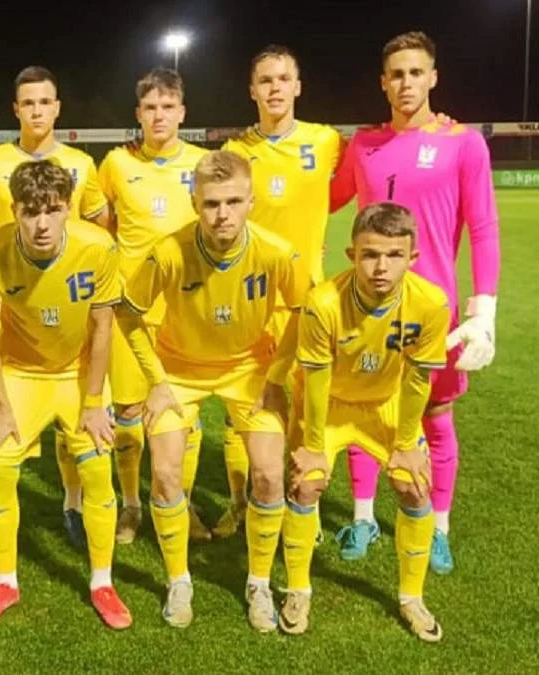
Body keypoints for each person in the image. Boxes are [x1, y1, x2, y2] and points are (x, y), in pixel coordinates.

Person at [330, 31, 501, 574]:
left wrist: (483, 311)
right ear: (383, 83)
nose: (406, 83)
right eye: (396, 74)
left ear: (433, 78)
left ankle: (438, 529)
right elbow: (323, 198)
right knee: (362, 408)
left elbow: (483, 226)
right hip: (367, 304)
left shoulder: (462, 142)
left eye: (415, 72)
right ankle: (363, 519)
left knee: (437, 418)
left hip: (434, 311)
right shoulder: (363, 144)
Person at [117, 150, 304, 631]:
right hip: (179, 372)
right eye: (212, 203)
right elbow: (127, 313)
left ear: (251, 202)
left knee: (269, 475)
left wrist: (276, 376)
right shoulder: (168, 252)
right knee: (164, 475)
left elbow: (306, 312)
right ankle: (179, 580)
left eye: (234, 202)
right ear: (194, 202)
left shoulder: (276, 252)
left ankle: (259, 583)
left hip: (250, 370)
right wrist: (157, 381)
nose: (223, 214)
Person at [0, 160, 131, 630]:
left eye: (52, 210)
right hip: (21, 375)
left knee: (97, 467)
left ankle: (102, 582)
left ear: (68, 208)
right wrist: (1, 406)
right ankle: (5, 582)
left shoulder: (98, 247)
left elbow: (103, 327)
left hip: (79, 374)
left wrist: (94, 402)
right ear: (14, 210)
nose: (41, 224)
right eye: (30, 211)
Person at [0, 65, 111, 547]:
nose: (37, 111)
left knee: (75, 428)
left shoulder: (82, 164)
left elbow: (103, 223)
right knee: (8, 430)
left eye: (45, 102)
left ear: (57, 108)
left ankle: (73, 504)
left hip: (72, 303)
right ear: (15, 109)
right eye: (28, 103)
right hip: (16, 306)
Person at [279, 201, 450, 642]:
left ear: (412, 258)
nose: (381, 267)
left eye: (394, 255)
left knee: (414, 486)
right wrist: (312, 446)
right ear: (351, 254)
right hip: (330, 405)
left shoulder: (431, 304)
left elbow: (418, 380)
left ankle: (412, 598)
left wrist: (407, 444)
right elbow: (315, 381)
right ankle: (298, 590)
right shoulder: (323, 303)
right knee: (306, 483)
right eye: (370, 254)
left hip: (384, 405)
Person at [217, 45, 342, 538]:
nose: (274, 88)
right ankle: (241, 501)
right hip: (250, 299)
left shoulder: (325, 141)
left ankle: (301, 504)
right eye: (265, 80)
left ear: (298, 86)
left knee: (304, 408)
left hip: (306, 301)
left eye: (283, 78)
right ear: (252, 90)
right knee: (243, 406)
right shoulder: (235, 151)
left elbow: (357, 181)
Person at [96, 67, 210, 544]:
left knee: (185, 413)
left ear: (182, 112)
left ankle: (183, 502)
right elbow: (102, 224)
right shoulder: (116, 164)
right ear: (138, 114)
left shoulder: (205, 164)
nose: (159, 115)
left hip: (186, 310)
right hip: (131, 311)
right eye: (150, 108)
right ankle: (131, 505)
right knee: (127, 411)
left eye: (167, 107)